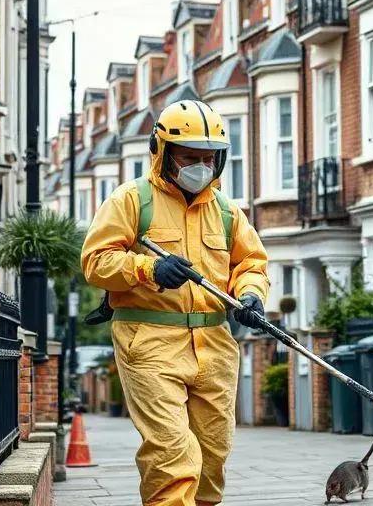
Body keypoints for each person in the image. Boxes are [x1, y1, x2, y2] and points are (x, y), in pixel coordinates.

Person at [81, 100, 270, 506]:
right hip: (148, 339)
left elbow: (251, 263)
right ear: (162, 152)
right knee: (172, 454)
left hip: (214, 344)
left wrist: (251, 295)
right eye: (189, 157)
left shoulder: (227, 213)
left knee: (212, 456)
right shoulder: (131, 200)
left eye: (209, 158)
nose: (200, 166)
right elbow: (96, 263)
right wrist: (148, 269)